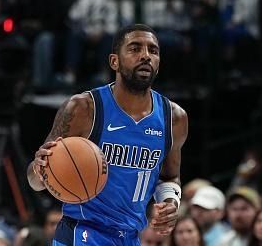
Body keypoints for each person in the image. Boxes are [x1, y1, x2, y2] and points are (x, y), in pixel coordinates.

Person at [27, 23, 189, 245]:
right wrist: (40, 169)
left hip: (131, 237)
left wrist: (171, 201)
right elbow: (35, 181)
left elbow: (169, 177)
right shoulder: (84, 109)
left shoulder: (174, 118)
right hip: (83, 232)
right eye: (135, 48)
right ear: (115, 61)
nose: (145, 56)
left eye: (153, 50)